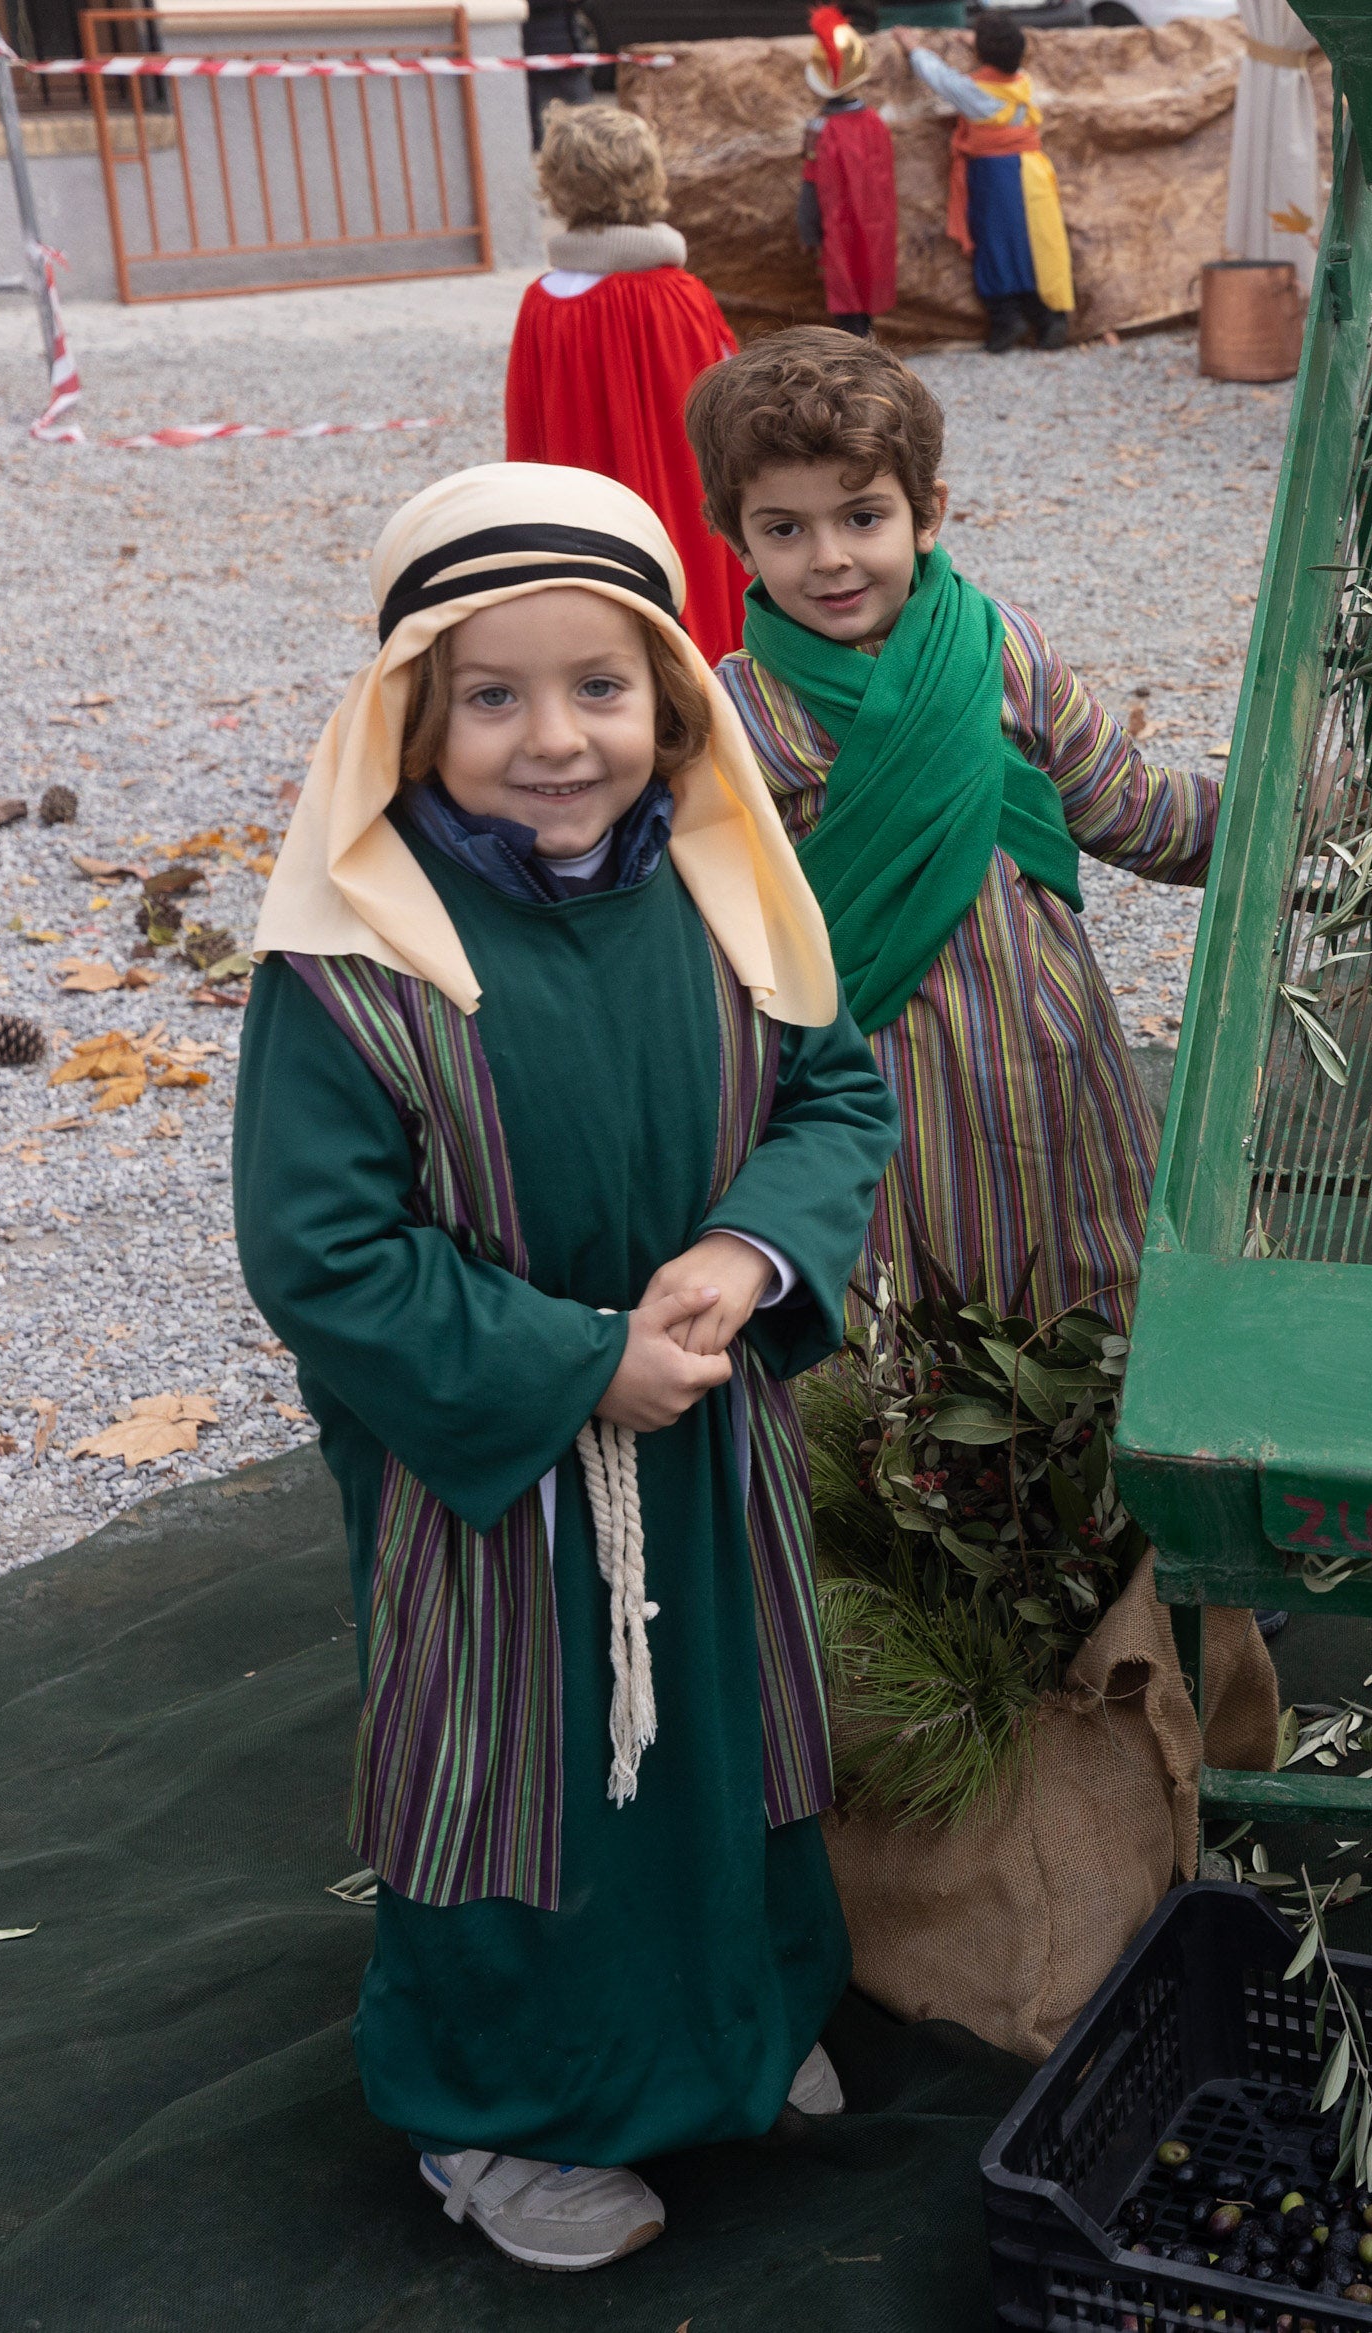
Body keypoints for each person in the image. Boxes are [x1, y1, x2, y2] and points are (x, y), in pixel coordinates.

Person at [237, 463, 897, 2272]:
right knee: (515, 1760)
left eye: (600, 688)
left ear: (672, 698)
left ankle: (735, 2026)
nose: (556, 740)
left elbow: (833, 1093)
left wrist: (741, 1255)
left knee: (727, 1723)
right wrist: (573, 1362)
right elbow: (324, 1250)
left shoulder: (721, 892)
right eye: (495, 696)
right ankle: (497, 2106)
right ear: (412, 715)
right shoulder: (352, 967)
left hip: (703, 1413)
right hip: (499, 1464)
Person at [684, 326, 1212, 1330]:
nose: (830, 556)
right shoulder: (731, 721)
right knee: (908, 1344)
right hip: (871, 1079)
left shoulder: (997, 651)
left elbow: (1126, 807)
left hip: (1043, 1051)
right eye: (784, 528)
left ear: (927, 513)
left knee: (1083, 1314)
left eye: (862, 515)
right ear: (734, 536)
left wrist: (1284, 814)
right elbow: (701, 934)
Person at [505, 104, 754, 662]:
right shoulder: (680, 295)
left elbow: (527, 439)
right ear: (651, 178)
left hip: (585, 528)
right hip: (683, 518)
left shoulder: (542, 305)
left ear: (555, 187)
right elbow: (731, 416)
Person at [910, 17, 1074, 353]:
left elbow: (941, 79)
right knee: (1038, 245)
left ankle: (1006, 319)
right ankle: (1049, 319)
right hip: (1032, 168)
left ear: (986, 57)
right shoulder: (1021, 81)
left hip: (996, 173)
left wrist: (913, 48)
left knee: (997, 244)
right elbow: (1000, 60)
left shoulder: (978, 94)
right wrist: (980, 43)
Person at [796, 6, 899, 340]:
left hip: (838, 230)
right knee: (867, 281)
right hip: (875, 225)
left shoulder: (820, 129)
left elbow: (811, 184)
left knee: (846, 291)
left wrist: (808, 230)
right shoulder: (875, 123)